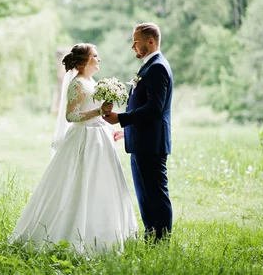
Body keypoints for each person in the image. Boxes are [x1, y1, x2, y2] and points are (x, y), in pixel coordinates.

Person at [10, 43, 137, 253]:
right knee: (79, 183)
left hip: (99, 137)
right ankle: (70, 232)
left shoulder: (91, 80)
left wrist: (106, 122)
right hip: (83, 139)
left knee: (101, 183)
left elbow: (91, 110)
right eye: (95, 56)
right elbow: (71, 116)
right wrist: (98, 111)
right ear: (84, 61)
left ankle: (105, 233)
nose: (99, 59)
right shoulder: (77, 84)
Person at [102, 23, 173, 242]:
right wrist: (129, 130)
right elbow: (142, 102)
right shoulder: (149, 66)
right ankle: (151, 238)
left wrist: (121, 119)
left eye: (136, 41)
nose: (133, 46)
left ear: (150, 41)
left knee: (156, 196)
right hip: (143, 140)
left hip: (151, 144)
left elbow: (155, 107)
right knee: (145, 196)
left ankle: (160, 243)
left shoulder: (157, 67)